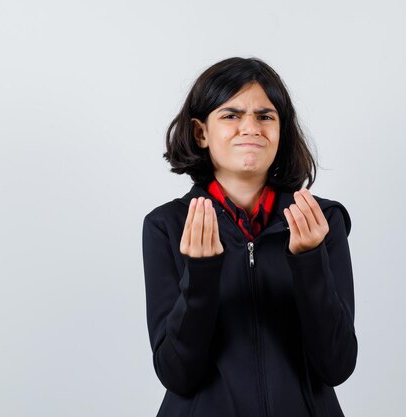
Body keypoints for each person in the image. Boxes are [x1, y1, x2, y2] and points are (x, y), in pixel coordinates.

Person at [141, 57, 357, 417]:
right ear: (201, 133)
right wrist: (202, 272)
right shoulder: (167, 226)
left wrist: (308, 261)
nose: (250, 127)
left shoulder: (322, 221)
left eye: (265, 116)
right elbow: (177, 374)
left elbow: (336, 365)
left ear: (281, 130)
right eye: (231, 115)